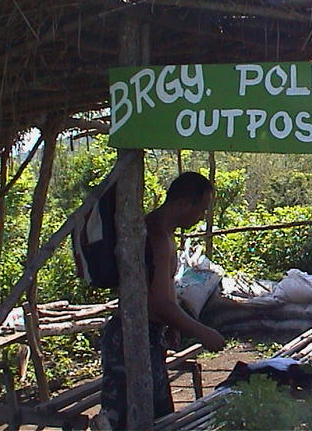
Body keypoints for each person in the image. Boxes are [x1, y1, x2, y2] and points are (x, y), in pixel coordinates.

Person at [99, 172, 225, 430]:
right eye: (201, 209)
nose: (202, 216)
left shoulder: (160, 231)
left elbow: (158, 295)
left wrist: (173, 325)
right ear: (184, 203)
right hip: (132, 339)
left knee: (154, 418)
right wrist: (203, 332)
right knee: (134, 420)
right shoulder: (157, 236)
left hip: (146, 335)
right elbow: (160, 303)